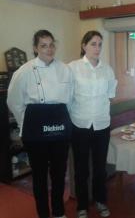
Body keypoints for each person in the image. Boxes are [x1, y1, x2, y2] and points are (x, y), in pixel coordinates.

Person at [7, 30, 72, 218]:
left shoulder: (65, 69)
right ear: (35, 48)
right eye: (43, 45)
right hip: (35, 130)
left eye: (51, 44)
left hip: (60, 127)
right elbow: (13, 101)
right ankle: (43, 213)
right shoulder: (24, 71)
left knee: (59, 174)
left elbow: (71, 98)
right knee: (40, 177)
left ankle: (59, 212)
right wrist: (24, 124)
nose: (49, 49)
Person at [68, 30, 117, 218]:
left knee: (99, 168)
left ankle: (100, 200)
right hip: (80, 124)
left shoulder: (107, 69)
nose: (97, 48)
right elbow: (68, 96)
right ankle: (82, 206)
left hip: (101, 125)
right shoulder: (72, 68)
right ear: (84, 46)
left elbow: (110, 96)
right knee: (81, 169)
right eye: (93, 44)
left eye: (99, 44)